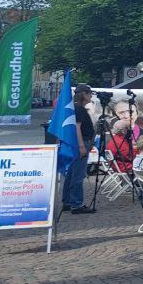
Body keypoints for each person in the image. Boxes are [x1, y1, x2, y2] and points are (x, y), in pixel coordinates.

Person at [63, 84, 97, 214]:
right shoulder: (79, 108)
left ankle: (67, 201)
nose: (90, 96)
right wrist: (82, 146)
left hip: (77, 143)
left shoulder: (75, 107)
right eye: (89, 93)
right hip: (81, 143)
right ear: (83, 94)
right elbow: (77, 128)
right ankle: (76, 204)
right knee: (78, 174)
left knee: (71, 173)